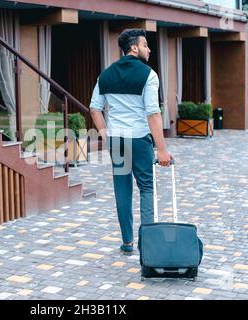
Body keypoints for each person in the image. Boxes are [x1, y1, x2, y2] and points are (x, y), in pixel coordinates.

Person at [89, 29, 173, 255]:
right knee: (146, 188)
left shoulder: (105, 75)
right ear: (134, 48)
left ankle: (127, 243)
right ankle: (146, 245)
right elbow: (153, 114)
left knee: (122, 190)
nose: (149, 49)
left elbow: (94, 108)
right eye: (146, 45)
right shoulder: (149, 74)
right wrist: (162, 150)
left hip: (117, 140)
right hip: (139, 141)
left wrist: (105, 134)